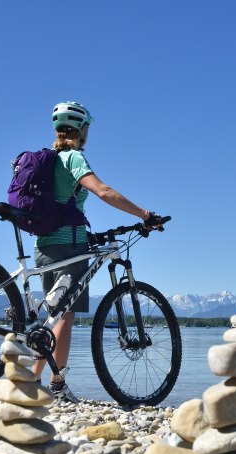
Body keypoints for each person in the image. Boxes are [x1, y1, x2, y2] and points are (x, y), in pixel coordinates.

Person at [32, 101, 159, 402]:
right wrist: (144, 214)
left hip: (45, 244)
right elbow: (103, 191)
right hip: (68, 245)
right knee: (65, 316)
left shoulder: (48, 159)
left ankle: (29, 379)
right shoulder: (72, 157)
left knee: (51, 317)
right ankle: (56, 384)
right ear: (82, 130)